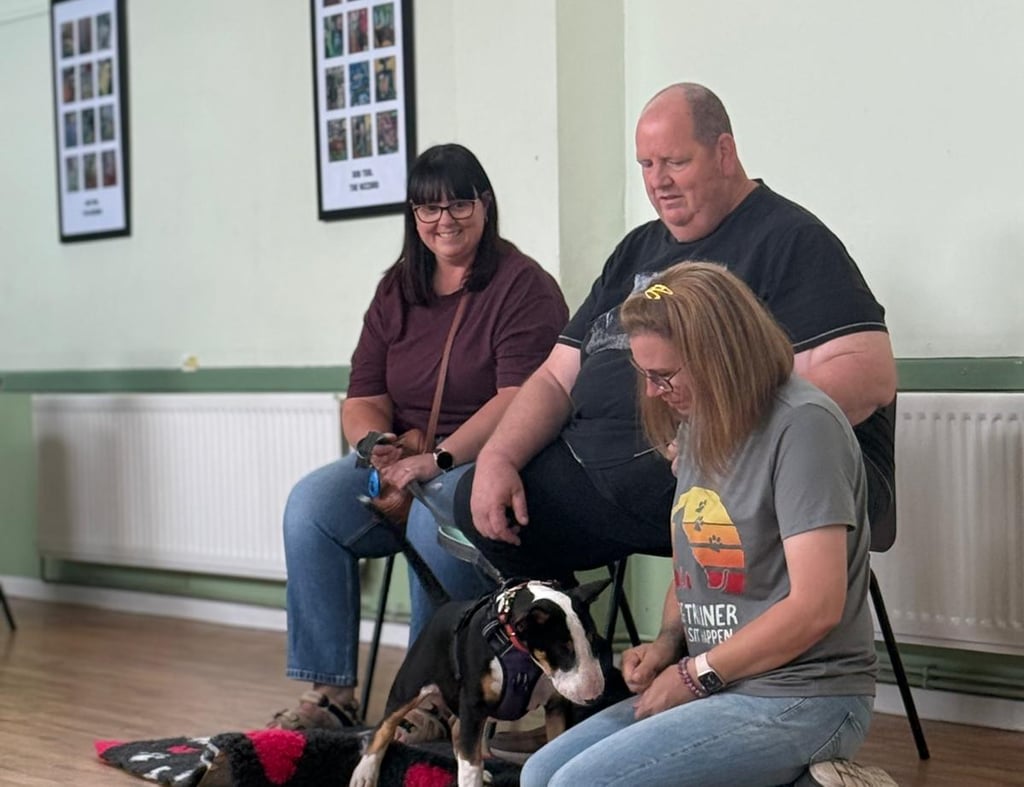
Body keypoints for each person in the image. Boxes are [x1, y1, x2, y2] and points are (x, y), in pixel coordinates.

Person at [456, 80, 896, 585]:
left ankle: (696, 658)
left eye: (675, 162)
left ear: (724, 152)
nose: (658, 181)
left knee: (713, 500)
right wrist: (498, 454)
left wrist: (728, 432)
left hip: (720, 472)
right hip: (599, 470)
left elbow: (869, 374)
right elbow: (556, 379)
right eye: (646, 165)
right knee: (485, 505)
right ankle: (584, 660)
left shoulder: (791, 240)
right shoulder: (634, 250)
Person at [520, 262, 895, 786]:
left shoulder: (804, 426)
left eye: (664, 376)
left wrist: (696, 676)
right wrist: (667, 645)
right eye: (645, 375)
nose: (653, 392)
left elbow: (817, 606)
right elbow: (695, 556)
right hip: (723, 682)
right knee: (539, 774)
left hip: (807, 696)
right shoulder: (701, 423)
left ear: (721, 358)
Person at [268, 143, 568, 736]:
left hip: (484, 461)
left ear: (485, 205)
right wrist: (371, 443)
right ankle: (330, 692)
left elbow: (519, 400)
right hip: (406, 457)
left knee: (435, 517)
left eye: (459, 203)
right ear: (413, 215)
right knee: (310, 507)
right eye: (428, 209)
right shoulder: (397, 290)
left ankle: (435, 695)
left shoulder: (523, 286)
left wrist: (437, 460)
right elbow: (363, 395)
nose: (444, 220)